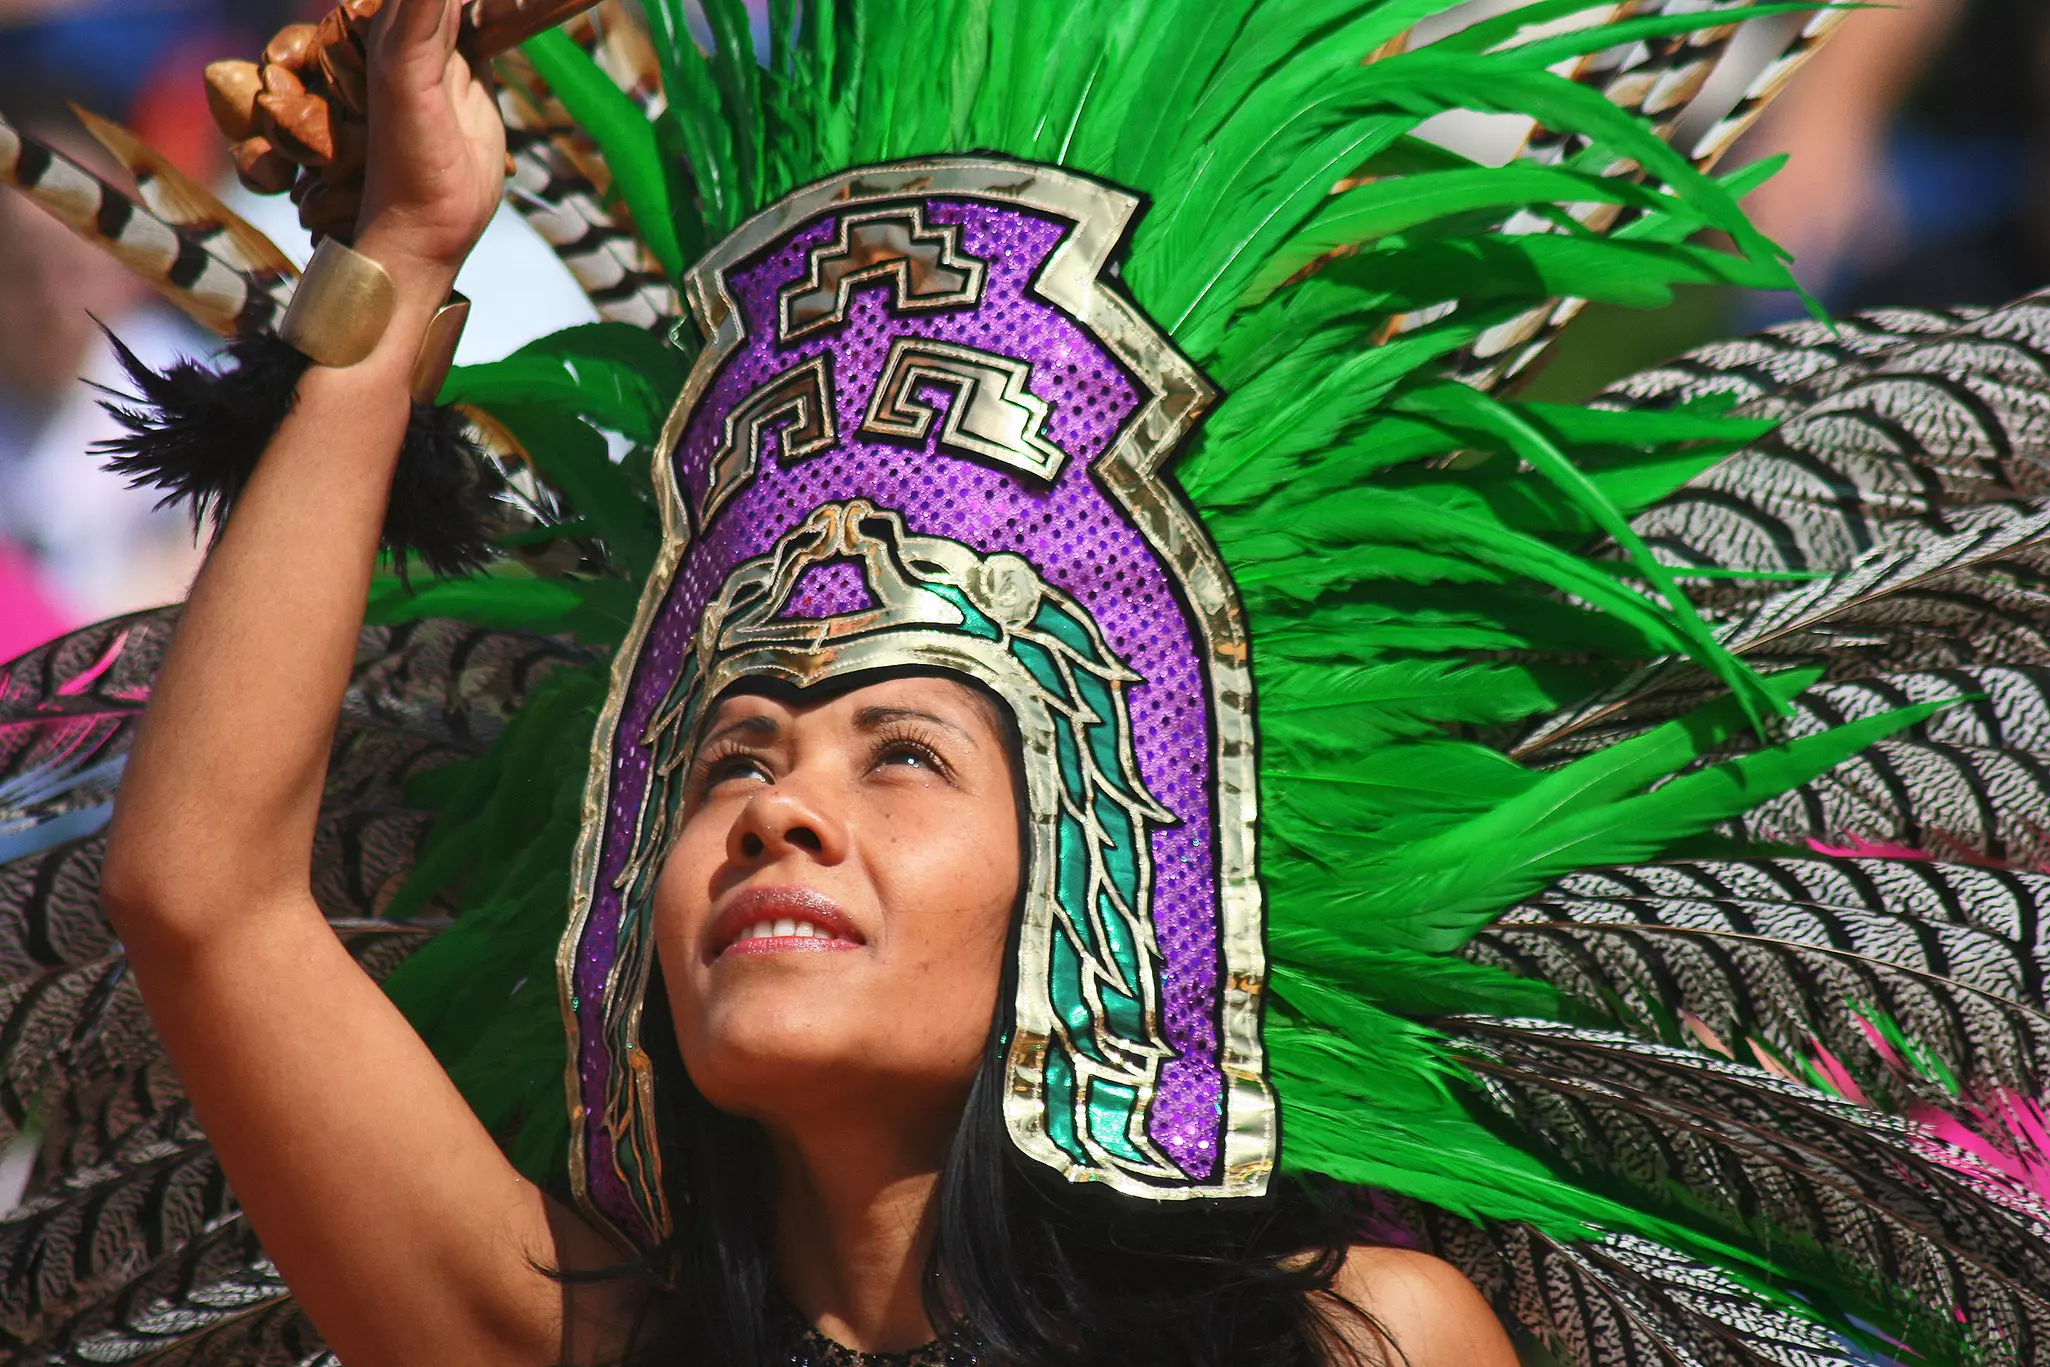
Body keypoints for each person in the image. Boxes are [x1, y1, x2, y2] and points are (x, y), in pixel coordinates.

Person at [4, 2, 2049, 1366]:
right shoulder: (572, 1335)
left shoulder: (1357, 1337)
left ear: (1107, 876)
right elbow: (201, 895)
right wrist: (401, 268)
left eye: (901, 748)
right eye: (730, 757)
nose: (778, 807)